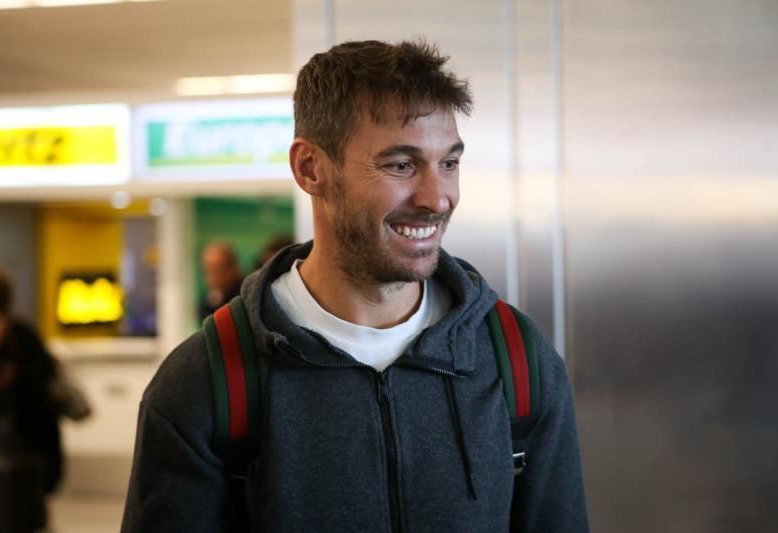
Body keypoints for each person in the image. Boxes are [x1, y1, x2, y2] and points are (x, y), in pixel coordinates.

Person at [123, 39, 589, 532]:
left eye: (449, 163)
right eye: (401, 165)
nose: (438, 199)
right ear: (310, 168)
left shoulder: (516, 360)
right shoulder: (206, 382)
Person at [0, 267, 63, 523]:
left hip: (25, 424)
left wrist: (13, 376)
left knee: (26, 483)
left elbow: (42, 371)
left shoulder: (20, 332)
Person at [198, 242, 244, 321]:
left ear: (233, 269)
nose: (212, 275)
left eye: (218, 268)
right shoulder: (205, 305)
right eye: (207, 269)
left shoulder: (244, 299)